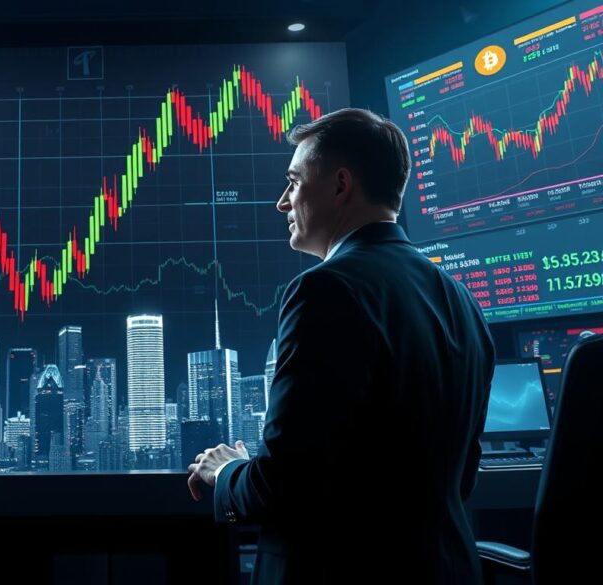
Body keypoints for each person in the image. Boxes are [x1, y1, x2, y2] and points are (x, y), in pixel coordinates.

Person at [187, 108, 495, 584]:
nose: (282, 203)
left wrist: (226, 472)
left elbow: (284, 486)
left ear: (340, 185)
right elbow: (461, 479)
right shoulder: (463, 302)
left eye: (292, 182)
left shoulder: (326, 290)